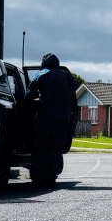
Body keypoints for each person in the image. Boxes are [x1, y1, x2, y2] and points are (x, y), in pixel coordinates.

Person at [25, 53, 76, 188]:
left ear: (44, 63)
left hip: (46, 115)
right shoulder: (67, 76)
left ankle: (39, 177)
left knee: (41, 145)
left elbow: (30, 94)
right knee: (56, 146)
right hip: (64, 117)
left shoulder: (42, 74)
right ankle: (52, 176)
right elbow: (73, 99)